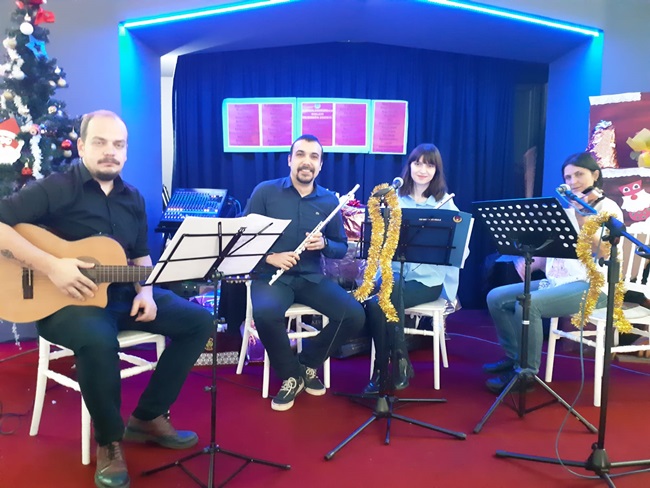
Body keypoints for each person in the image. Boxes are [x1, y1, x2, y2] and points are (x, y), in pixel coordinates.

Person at [0, 110, 213, 488]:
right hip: (65, 303)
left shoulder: (134, 198)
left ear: (126, 152)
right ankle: (110, 442)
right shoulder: (56, 187)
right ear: (82, 146)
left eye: (118, 144)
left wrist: (147, 291)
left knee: (199, 321)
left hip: (121, 295)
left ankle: (147, 416)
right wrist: (53, 266)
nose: (110, 151)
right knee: (99, 340)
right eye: (100, 142)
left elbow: (141, 256)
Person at [483, 151, 624, 394]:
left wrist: (581, 217)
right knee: (496, 297)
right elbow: (560, 250)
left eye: (579, 174)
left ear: (595, 175)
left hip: (593, 285)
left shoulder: (607, 209)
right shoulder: (566, 208)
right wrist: (532, 261)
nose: (573, 181)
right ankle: (515, 356)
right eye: (568, 177)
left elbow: (602, 252)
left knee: (529, 304)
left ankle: (526, 373)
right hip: (559, 281)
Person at [244, 134, 365, 412]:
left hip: (311, 278)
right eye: (300, 154)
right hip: (271, 276)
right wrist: (271, 257)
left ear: (320, 165)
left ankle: (307, 363)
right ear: (289, 160)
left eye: (313, 157)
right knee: (266, 314)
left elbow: (340, 248)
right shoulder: (265, 192)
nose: (306, 162)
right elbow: (244, 239)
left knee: (354, 315)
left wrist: (325, 244)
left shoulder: (328, 201)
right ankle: (290, 376)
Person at [363, 143, 461, 394]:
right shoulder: (394, 200)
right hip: (392, 274)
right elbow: (378, 242)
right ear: (409, 166)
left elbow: (459, 250)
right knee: (382, 296)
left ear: (437, 170)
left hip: (427, 281)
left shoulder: (446, 205)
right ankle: (400, 361)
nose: (422, 170)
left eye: (429, 165)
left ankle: (381, 371)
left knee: (378, 303)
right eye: (417, 163)